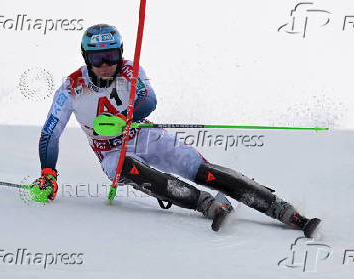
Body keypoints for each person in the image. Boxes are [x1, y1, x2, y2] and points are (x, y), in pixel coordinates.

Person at [33, 24, 321, 237]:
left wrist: (134, 104)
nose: (106, 65)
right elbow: (49, 134)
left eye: (111, 56)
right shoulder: (71, 88)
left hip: (142, 135)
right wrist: (48, 174)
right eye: (97, 59)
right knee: (125, 168)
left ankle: (278, 207)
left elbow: (150, 104)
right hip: (108, 150)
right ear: (86, 58)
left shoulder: (131, 71)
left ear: (120, 53)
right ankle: (204, 203)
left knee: (200, 170)